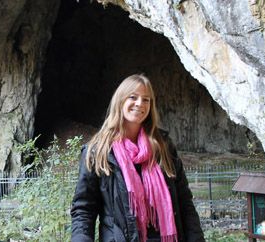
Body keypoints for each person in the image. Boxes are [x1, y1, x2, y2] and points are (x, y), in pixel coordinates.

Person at [70, 74, 204, 242]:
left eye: (146, 99)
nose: (140, 103)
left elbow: (185, 203)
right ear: (120, 101)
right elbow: (84, 209)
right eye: (133, 97)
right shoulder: (98, 151)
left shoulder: (163, 147)